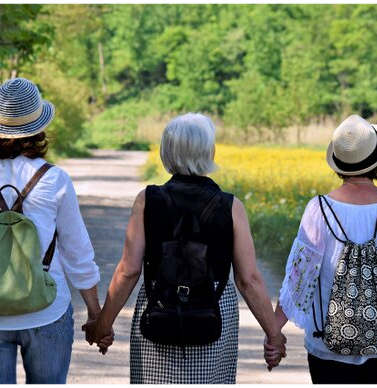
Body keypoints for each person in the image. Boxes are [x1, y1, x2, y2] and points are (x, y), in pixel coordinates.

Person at [83, 113, 287, 384]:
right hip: (214, 310)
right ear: (209, 151)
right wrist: (274, 335)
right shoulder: (231, 206)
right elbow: (248, 279)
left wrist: (103, 324)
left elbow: (128, 271)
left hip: (159, 306)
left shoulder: (148, 200)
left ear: (166, 152)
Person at [0, 78, 109, 385]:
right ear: (38, 127)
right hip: (47, 310)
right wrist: (96, 313)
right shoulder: (54, 179)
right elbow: (77, 254)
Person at [265, 115, 377, 385]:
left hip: (327, 346)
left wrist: (274, 333)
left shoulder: (318, 209)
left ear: (338, 164)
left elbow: (299, 280)